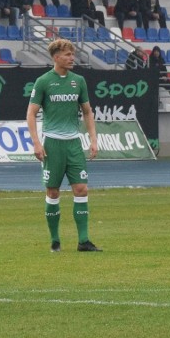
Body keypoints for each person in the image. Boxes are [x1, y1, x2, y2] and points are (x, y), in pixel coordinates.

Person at [26, 39, 101, 253]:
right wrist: (36, 143)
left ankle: (84, 241)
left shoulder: (79, 81)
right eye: (67, 55)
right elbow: (31, 114)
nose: (72, 58)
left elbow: (87, 111)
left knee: (81, 188)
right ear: (56, 57)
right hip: (52, 144)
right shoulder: (43, 82)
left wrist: (93, 139)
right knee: (52, 192)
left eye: (72, 54)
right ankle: (55, 241)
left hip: (74, 143)